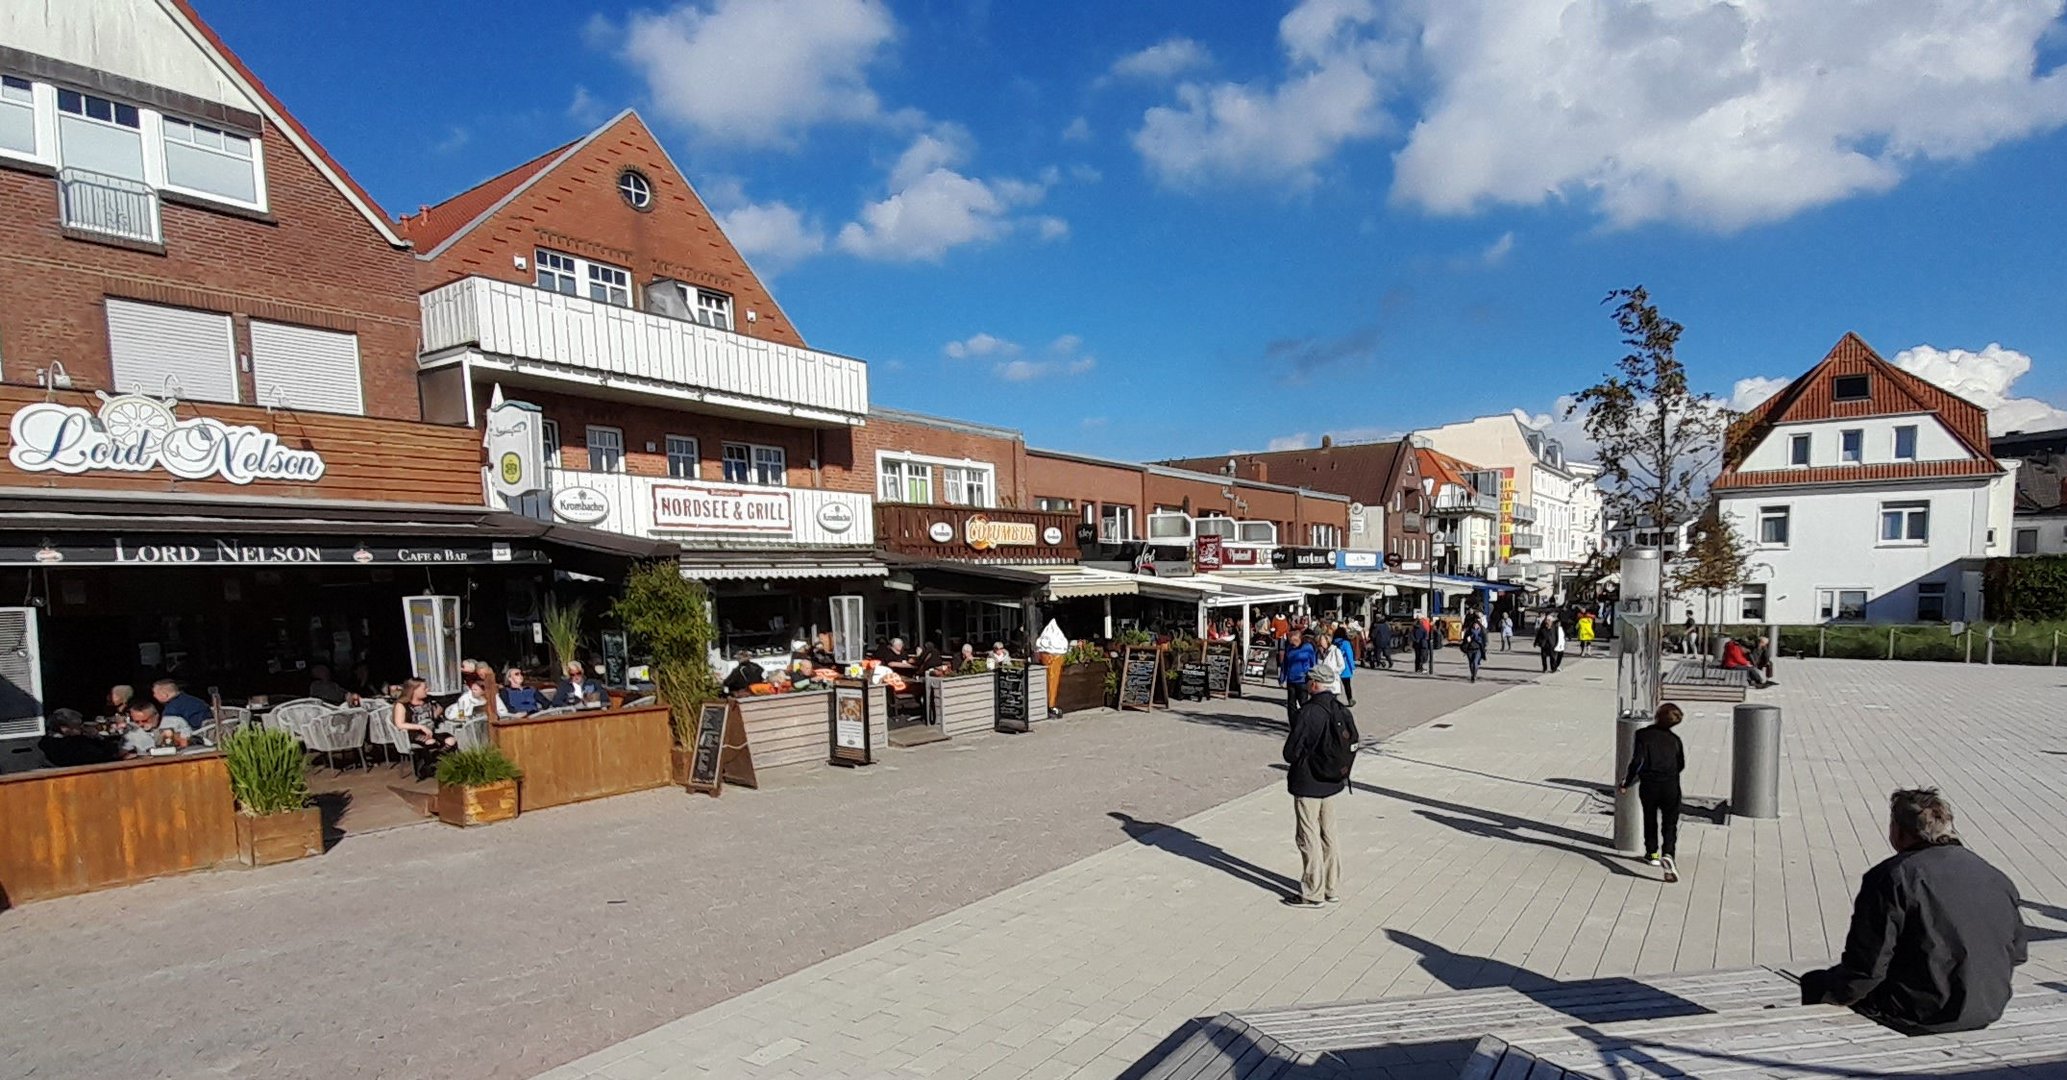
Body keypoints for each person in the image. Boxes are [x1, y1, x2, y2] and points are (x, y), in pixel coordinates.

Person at [1800, 788, 2027, 1034]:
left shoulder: (1892, 877)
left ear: (1898, 830)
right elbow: (2018, 954)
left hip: (1920, 1010)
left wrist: (1830, 991)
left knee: (1816, 982)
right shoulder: (1995, 876)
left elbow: (1867, 969)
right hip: (1988, 1004)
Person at [1282, 662, 1359, 908]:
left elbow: (1291, 752)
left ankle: (1312, 892)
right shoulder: (1340, 709)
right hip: (1332, 780)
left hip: (1308, 782)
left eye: (1308, 681)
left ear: (1314, 684)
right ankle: (1331, 887)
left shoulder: (1310, 711)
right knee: (1329, 834)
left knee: (1308, 836)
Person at [1619, 702, 1687, 881]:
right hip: (1671, 785)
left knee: (1650, 818)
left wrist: (1627, 781)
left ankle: (1652, 853)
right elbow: (1681, 764)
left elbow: (1637, 761)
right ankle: (1669, 853)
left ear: (1657, 715)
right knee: (1670, 822)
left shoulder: (1643, 735)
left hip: (1649, 785)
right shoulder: (1675, 740)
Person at [41, 709, 119, 767]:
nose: (82, 728)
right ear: (64, 728)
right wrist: (98, 737)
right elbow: (108, 755)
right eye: (78, 725)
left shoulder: (45, 742)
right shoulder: (74, 744)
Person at [121, 695, 191, 756]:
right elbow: (123, 752)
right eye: (137, 721)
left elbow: (189, 743)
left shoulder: (175, 722)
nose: (141, 724)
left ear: (156, 716)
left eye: (145, 720)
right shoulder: (132, 731)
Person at [1280, 628, 1318, 720]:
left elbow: (1313, 663)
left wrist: (1314, 677)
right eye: (1291, 641)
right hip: (1291, 679)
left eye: (1295, 640)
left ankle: (1305, 722)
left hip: (1303, 679)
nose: (1293, 643)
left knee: (1303, 702)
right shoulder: (1289, 648)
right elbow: (1285, 664)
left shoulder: (1308, 648)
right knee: (1291, 703)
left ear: (1300, 639)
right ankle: (1293, 723)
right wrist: (1282, 678)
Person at [1330, 626, 1356, 706]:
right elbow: (1349, 655)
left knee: (1335, 685)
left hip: (1335, 666)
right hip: (1345, 667)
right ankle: (1350, 699)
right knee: (1347, 685)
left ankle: (1334, 700)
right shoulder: (1346, 643)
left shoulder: (1333, 642)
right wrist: (1352, 666)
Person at [1460, 614, 1488, 683]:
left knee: (1475, 662)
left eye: (1477, 625)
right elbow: (1464, 641)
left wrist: (1483, 644)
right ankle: (1472, 674)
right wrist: (1467, 640)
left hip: (1478, 649)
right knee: (1471, 663)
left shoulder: (1481, 631)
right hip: (1470, 649)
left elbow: (1485, 640)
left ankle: (1474, 676)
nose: (1475, 626)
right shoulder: (1469, 631)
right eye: (1474, 625)